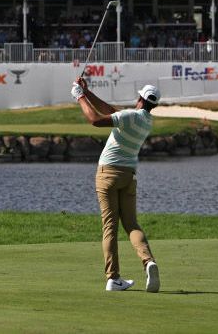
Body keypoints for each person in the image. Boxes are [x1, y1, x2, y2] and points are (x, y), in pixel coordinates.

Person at [72, 78, 161, 293]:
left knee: (109, 226)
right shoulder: (145, 121)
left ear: (140, 98)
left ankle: (113, 278)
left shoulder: (129, 116)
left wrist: (79, 97)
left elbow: (95, 119)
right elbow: (111, 111)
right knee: (131, 224)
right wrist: (87, 91)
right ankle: (148, 261)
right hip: (128, 176)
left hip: (107, 174)